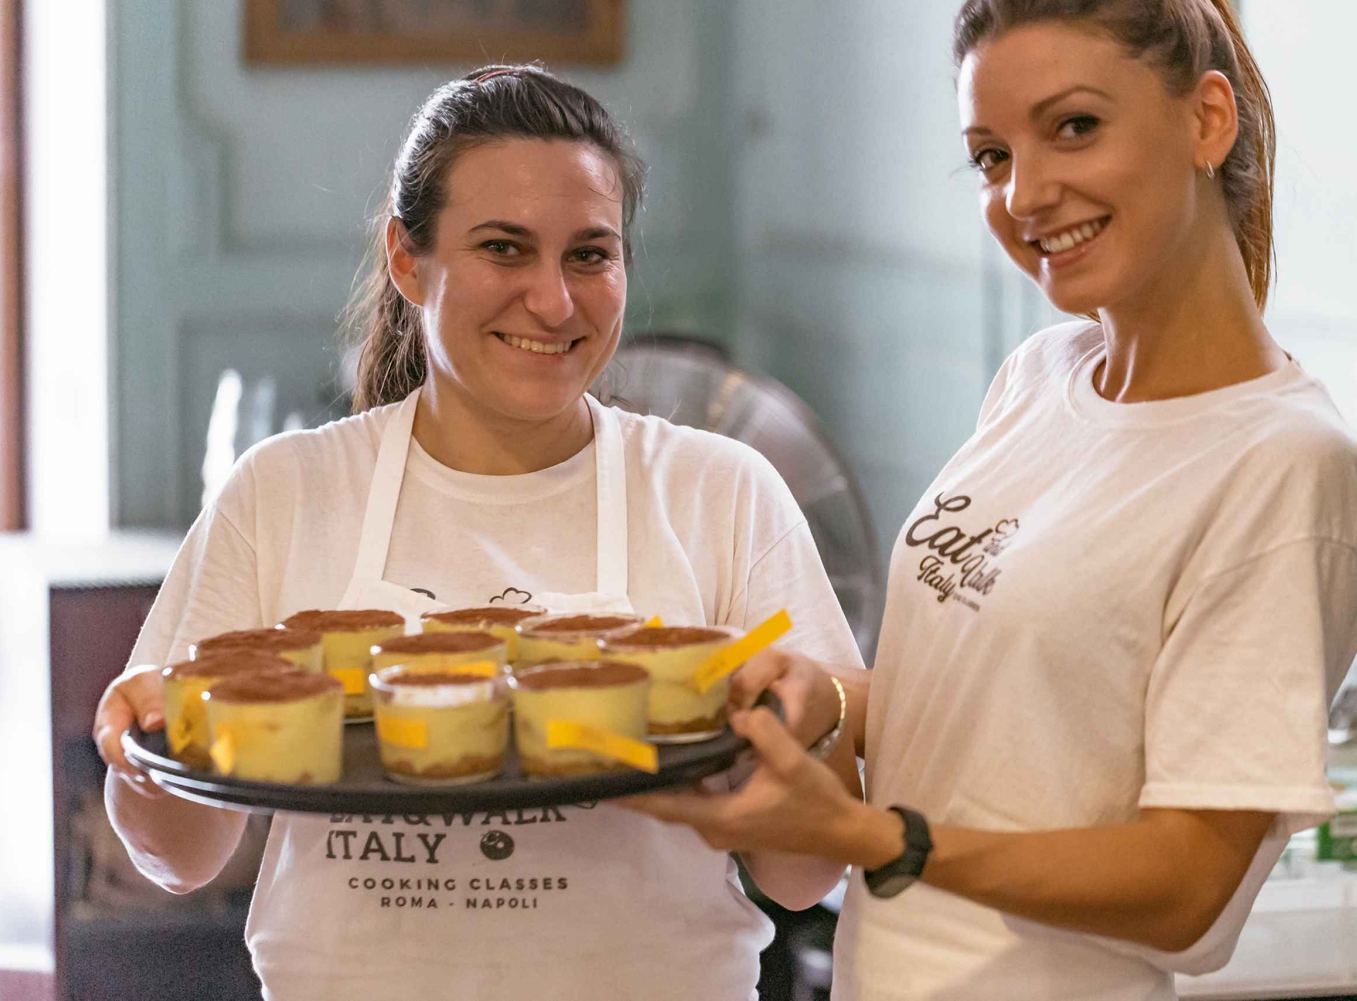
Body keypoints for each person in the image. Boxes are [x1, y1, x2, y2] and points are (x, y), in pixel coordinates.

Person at [626, 2, 1357, 998]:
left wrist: (873, 836)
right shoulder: (1040, 377)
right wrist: (827, 702)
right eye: (990, 155)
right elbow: (975, 715)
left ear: (1207, 119)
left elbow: (1189, 885)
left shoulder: (1286, 466)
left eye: (1075, 126)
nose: (1025, 192)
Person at [92, 65, 861, 999]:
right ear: (407, 260)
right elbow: (180, 854)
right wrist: (138, 757)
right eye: (505, 248)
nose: (553, 301)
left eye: (590, 254)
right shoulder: (285, 491)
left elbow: (802, 876)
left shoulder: (719, 488)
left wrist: (795, 740)